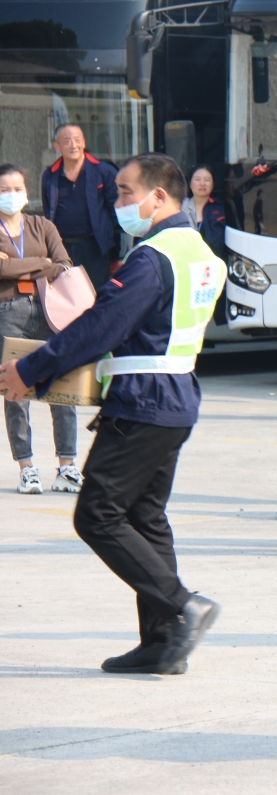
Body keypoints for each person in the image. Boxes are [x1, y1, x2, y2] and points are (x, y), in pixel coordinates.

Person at [0, 152, 225, 674]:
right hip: (176, 395)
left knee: (97, 513)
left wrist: (31, 368)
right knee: (146, 518)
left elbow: (102, 325)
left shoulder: (154, 257)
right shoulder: (201, 253)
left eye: (126, 192)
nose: (118, 201)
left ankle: (184, 604)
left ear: (159, 197)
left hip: (144, 400)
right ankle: (164, 644)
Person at [0, 163, 81, 495]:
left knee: (63, 387)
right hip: (9, 312)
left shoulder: (42, 225)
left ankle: (67, 467)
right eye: (4, 189)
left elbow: (63, 265)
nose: (12, 195)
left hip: (50, 311)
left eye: (17, 188)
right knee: (15, 391)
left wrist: (13, 267)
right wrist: (41, 264)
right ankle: (26, 468)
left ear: (27, 192)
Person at [40, 124, 119, 290]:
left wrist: (115, 253)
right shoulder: (50, 175)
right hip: (62, 248)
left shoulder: (104, 171)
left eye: (77, 140)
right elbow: (48, 213)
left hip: (95, 248)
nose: (73, 145)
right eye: (66, 141)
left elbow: (116, 213)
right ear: (57, 146)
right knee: (67, 295)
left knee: (97, 297)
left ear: (84, 143)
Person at [181, 164, 226, 259]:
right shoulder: (180, 208)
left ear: (213, 184)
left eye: (207, 180)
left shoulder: (221, 209)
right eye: (197, 179)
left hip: (213, 263)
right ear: (190, 184)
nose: (202, 183)